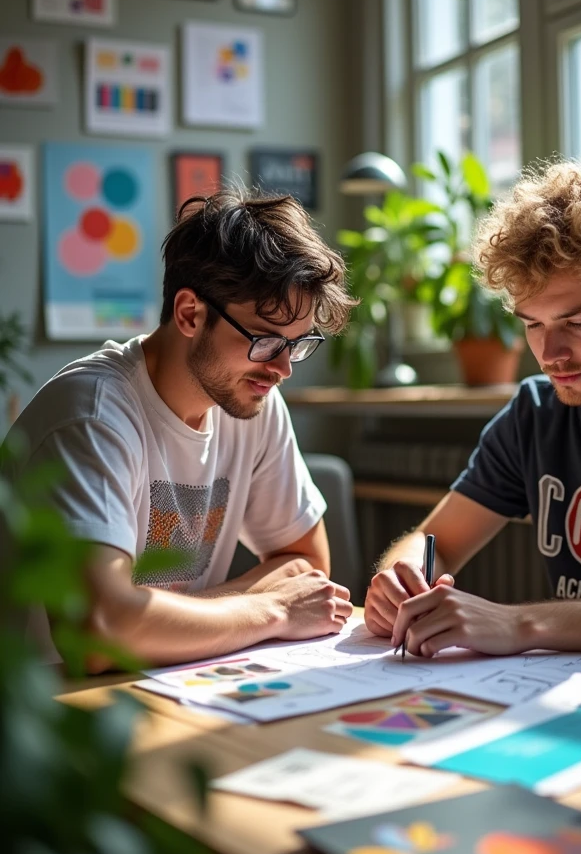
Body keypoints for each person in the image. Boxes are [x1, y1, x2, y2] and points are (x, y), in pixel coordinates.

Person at [7, 189, 356, 669]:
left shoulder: (251, 400)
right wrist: (271, 608)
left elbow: (306, 565)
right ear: (190, 313)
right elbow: (97, 634)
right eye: (265, 340)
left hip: (156, 680)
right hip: (51, 713)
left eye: (297, 345)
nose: (282, 369)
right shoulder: (92, 416)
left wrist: (155, 620)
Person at [365, 160, 581, 657]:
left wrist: (523, 625)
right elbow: (436, 540)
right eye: (533, 324)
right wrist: (402, 576)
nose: (550, 353)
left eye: (577, 322)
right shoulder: (534, 414)